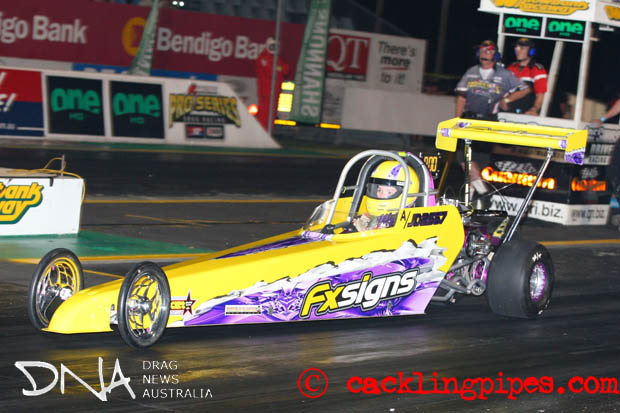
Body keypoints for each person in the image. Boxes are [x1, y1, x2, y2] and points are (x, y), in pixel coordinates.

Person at [454, 40, 528, 202]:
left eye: (489, 51)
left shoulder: (504, 74)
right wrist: (456, 121)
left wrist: (507, 99)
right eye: (482, 51)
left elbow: (525, 89)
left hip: (488, 121)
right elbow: (461, 97)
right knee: (463, 158)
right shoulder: (471, 72)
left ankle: (473, 198)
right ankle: (480, 192)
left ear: (495, 55)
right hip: (469, 119)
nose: (484, 54)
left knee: (478, 159)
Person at [352, 161, 419, 232]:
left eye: (389, 192)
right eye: (379, 190)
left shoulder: (411, 224)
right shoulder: (366, 218)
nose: (381, 196)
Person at [505, 38, 548, 115]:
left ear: (531, 52)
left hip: (525, 112)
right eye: (516, 48)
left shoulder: (537, 69)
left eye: (522, 48)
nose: (518, 50)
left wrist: (534, 109)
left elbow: (540, 94)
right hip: (506, 110)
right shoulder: (510, 67)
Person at [255, 37, 290, 132]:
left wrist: (278, 68)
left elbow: (286, 69)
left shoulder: (276, 58)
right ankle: (261, 134)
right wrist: (279, 68)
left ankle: (268, 134)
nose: (274, 48)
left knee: (272, 116)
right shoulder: (263, 58)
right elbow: (270, 71)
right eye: (272, 45)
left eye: (276, 46)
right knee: (264, 116)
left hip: (275, 91)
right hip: (266, 92)